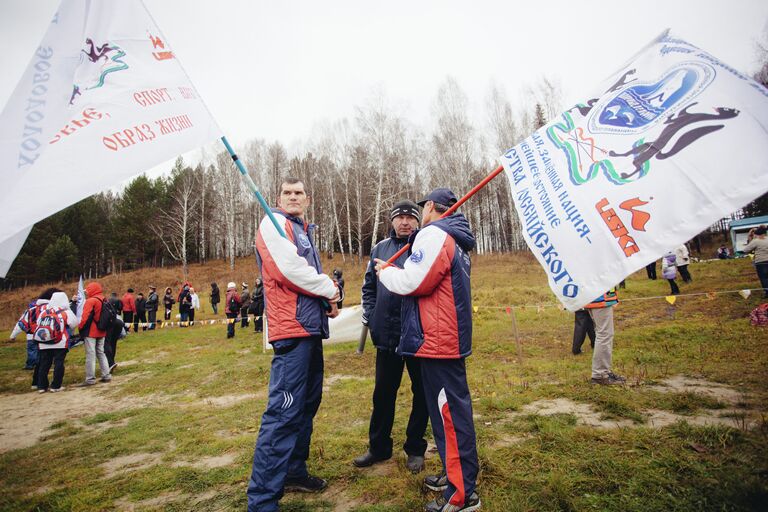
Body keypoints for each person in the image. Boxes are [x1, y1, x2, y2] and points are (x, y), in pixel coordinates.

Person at [375, 188, 480, 512]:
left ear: (431, 206)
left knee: (450, 415)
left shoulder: (435, 234)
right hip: (443, 339)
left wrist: (386, 272)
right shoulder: (456, 240)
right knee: (444, 412)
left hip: (438, 341)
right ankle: (455, 475)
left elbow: (415, 282)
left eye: (423, 210)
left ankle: (461, 495)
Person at [247, 177, 340, 512]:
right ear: (278, 198)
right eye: (287, 193)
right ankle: (262, 500)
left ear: (308, 199)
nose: (293, 197)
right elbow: (290, 271)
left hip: (310, 329)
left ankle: (293, 472)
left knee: (306, 406)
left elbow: (304, 279)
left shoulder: (300, 229)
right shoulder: (273, 223)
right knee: (284, 412)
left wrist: (327, 301)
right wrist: (329, 288)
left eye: (298, 193)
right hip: (291, 331)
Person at [353, 199, 429, 474]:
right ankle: (379, 448)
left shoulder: (424, 246)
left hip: (417, 336)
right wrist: (372, 315)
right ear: (392, 221)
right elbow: (368, 287)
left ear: (418, 221)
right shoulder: (380, 249)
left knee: (422, 394)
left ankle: (415, 448)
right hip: (386, 336)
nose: (405, 222)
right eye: (400, 217)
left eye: (411, 217)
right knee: (383, 394)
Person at [9, 287, 60, 390]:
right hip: (49, 338)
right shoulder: (53, 309)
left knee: (40, 361)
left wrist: (18, 334)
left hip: (33, 337)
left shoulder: (31, 310)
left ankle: (36, 383)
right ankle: (47, 384)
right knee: (48, 361)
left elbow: (21, 323)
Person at [35, 291, 79, 393]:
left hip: (43, 342)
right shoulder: (65, 312)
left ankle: (42, 386)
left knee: (44, 364)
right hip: (60, 342)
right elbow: (74, 324)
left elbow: (38, 324)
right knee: (58, 363)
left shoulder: (44, 312)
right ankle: (55, 386)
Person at [585, 289, 624, 385]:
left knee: (603, 334)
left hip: (598, 298)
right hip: (600, 299)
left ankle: (602, 372)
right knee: (604, 335)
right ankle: (600, 374)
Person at [77, 281, 111, 386]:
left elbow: (85, 317)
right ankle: (106, 375)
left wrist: (80, 327)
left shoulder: (90, 301)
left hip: (91, 332)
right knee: (101, 353)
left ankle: (90, 379)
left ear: (92, 290)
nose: (86, 293)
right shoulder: (104, 299)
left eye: (87, 290)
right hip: (102, 330)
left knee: (90, 355)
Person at [743, 225, 768, 298]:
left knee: (764, 278)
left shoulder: (756, 241)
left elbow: (745, 250)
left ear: (757, 233)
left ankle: (767, 293)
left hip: (761, 262)